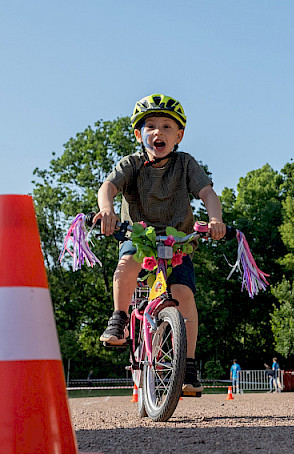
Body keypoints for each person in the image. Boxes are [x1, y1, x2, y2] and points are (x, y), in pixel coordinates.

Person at [95, 93, 226, 395]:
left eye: (167, 127)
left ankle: (189, 368)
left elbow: (207, 193)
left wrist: (215, 219)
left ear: (179, 135)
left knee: (184, 295)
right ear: (139, 134)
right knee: (127, 264)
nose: (159, 132)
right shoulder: (132, 164)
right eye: (151, 126)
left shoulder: (185, 164)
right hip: (138, 236)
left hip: (178, 242)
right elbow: (108, 187)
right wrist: (107, 211)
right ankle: (119, 319)